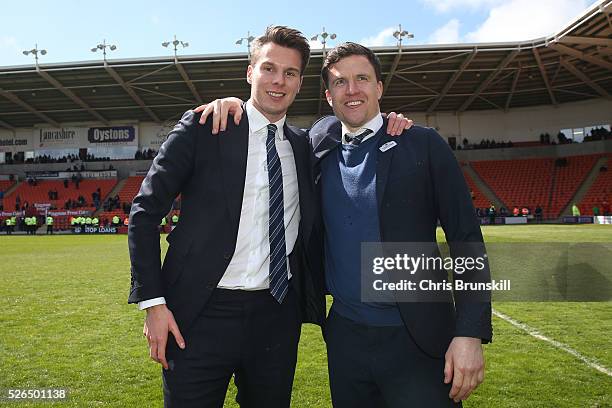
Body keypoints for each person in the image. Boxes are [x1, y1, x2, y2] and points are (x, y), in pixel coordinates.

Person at [197, 42, 491, 407]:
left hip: (418, 337)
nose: (352, 90)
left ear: (379, 88)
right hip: (345, 337)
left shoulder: (423, 144)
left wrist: (470, 333)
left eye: (362, 79)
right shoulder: (317, 144)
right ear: (328, 95)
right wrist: (233, 104)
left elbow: (466, 240)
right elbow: (266, 121)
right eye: (340, 83)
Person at [129, 26, 409, 408]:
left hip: (276, 317)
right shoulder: (206, 127)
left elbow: (356, 125)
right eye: (268, 69)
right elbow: (144, 213)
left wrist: (394, 121)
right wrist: (153, 304)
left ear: (300, 83)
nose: (278, 81)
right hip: (197, 313)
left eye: (290, 73)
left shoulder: (306, 144)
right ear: (250, 72)